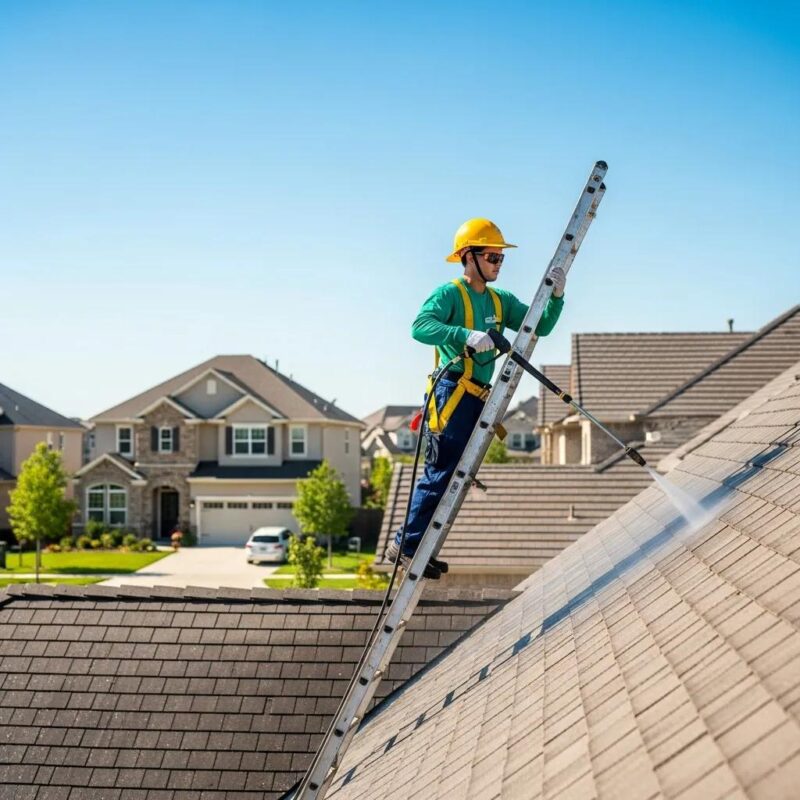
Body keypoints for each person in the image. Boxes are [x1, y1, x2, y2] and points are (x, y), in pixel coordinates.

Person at [385, 218, 567, 579]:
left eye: (501, 258)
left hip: (480, 399)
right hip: (451, 393)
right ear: (468, 257)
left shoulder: (501, 302)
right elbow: (420, 327)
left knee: (458, 477)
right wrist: (464, 334)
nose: (498, 264)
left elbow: (540, 327)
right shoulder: (449, 294)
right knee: (441, 472)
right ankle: (404, 545)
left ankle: (422, 549)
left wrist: (557, 297)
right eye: (492, 257)